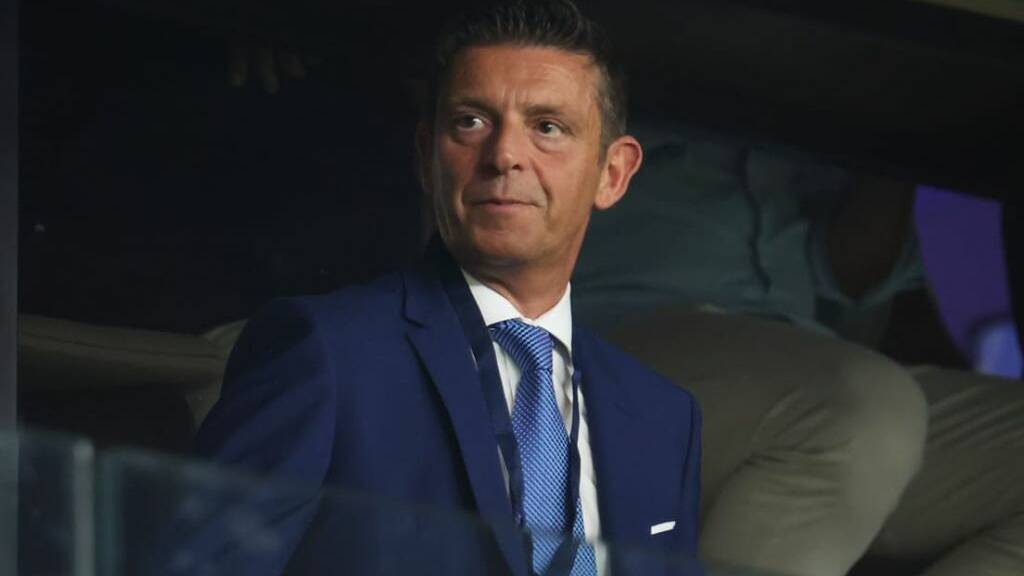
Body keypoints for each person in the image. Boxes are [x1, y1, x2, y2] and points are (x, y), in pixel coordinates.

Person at [189, 3, 701, 576]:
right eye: (471, 122)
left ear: (613, 173)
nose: (504, 155)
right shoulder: (326, 353)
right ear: (426, 157)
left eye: (547, 127)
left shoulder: (664, 417)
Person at [573, 123, 1024, 576]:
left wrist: (898, 131)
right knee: (863, 411)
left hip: (797, 349)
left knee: (868, 411)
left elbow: (849, 274)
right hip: (607, 335)